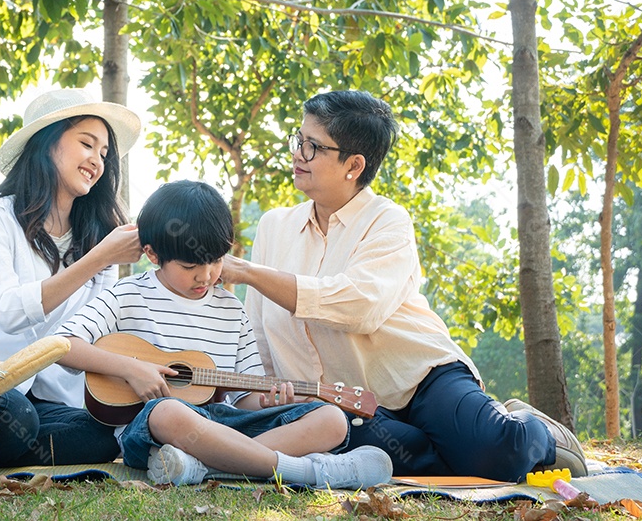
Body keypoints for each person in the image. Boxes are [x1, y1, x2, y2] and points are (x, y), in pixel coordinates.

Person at [219, 89, 587, 481]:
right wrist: (263, 394)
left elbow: (357, 307)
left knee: (495, 455)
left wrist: (247, 272)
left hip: (420, 376)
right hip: (345, 405)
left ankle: (535, 431)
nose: (297, 154)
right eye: (298, 140)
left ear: (353, 165)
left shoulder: (387, 221)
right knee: (389, 460)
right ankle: (467, 440)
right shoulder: (274, 226)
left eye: (313, 147)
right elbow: (260, 330)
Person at [56, 180, 393, 487]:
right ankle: (307, 472)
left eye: (215, 261)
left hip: (223, 427)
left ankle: (205, 468)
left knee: (332, 418)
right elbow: (63, 346)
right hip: (156, 432)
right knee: (168, 411)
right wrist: (132, 368)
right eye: (190, 267)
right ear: (152, 254)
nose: (206, 276)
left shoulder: (231, 309)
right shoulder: (127, 294)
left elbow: (243, 400)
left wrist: (269, 400)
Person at [0, 87, 144, 466]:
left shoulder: (97, 239)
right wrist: (97, 259)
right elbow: (11, 312)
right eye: (87, 144)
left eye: (104, 153)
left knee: (101, 436)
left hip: (49, 398)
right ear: (48, 145)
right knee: (13, 415)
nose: (97, 160)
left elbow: (88, 337)